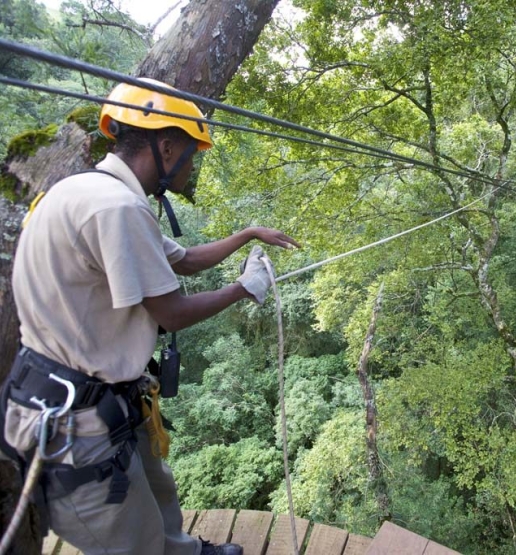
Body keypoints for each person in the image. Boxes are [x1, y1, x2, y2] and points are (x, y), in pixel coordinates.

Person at [0, 78, 300, 555]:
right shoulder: (116, 208)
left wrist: (247, 235)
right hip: (77, 421)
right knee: (130, 540)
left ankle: (183, 550)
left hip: (96, 399)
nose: (193, 166)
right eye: (192, 153)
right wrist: (245, 289)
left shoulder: (93, 192)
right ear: (165, 145)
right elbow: (172, 313)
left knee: (158, 495)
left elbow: (184, 259)